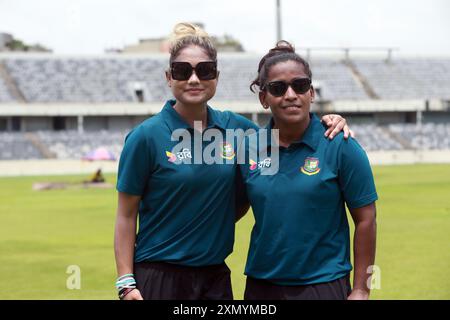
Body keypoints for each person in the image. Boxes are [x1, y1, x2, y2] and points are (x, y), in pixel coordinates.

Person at [113, 23, 352, 300]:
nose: (194, 79)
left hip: (215, 277)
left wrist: (329, 120)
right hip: (159, 275)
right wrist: (125, 281)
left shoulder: (238, 131)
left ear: (216, 76)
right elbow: (126, 214)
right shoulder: (146, 137)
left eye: (204, 70)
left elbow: (288, 130)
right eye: (182, 71)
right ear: (169, 77)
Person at [239, 41, 377, 300]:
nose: (290, 95)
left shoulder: (340, 145)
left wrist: (362, 288)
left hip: (323, 285)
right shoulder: (249, 148)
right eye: (278, 88)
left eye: (300, 86)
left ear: (311, 93)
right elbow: (230, 209)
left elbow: (366, 219)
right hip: (261, 286)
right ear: (264, 98)